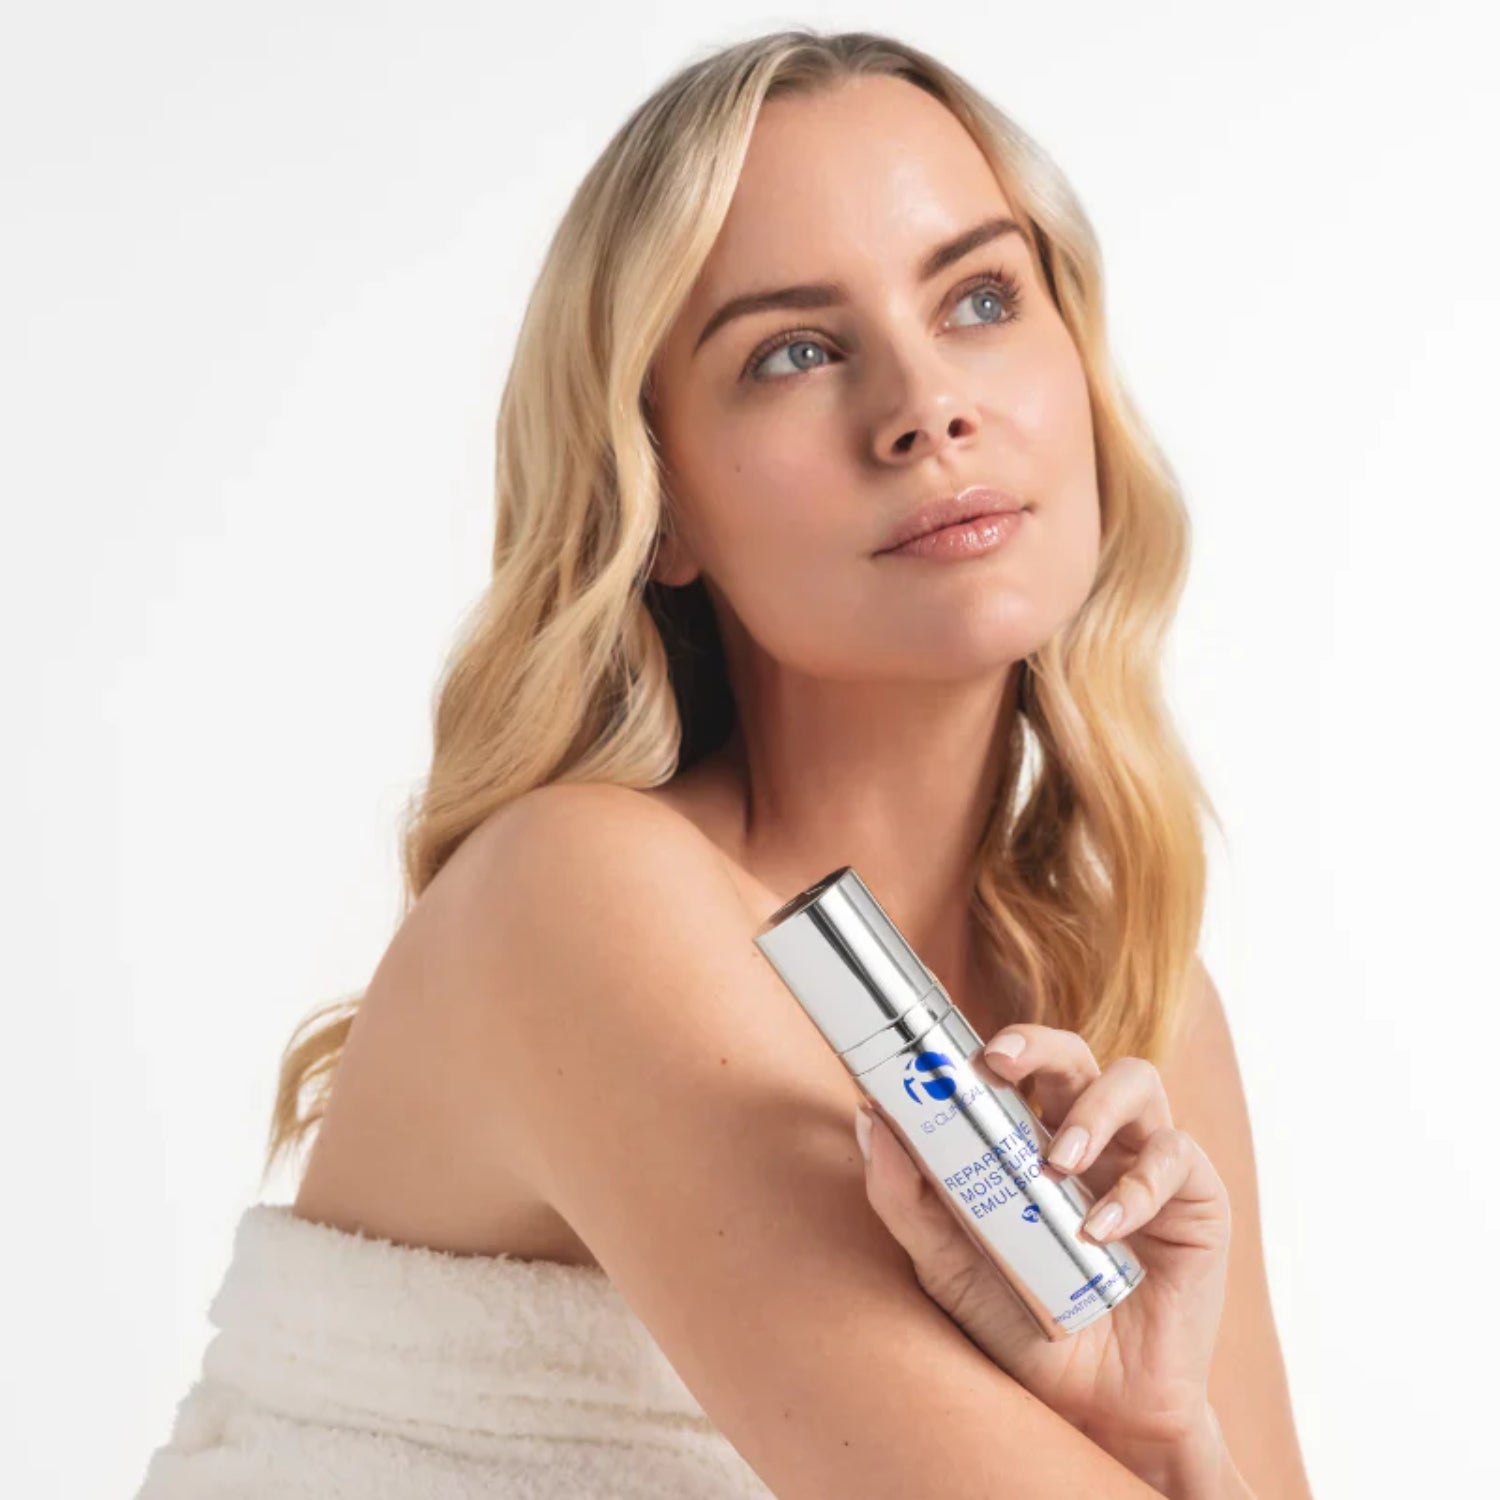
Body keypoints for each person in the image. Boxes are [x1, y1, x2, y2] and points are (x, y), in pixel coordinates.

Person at [136, 27, 1313, 1500]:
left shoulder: (1129, 993)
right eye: (794, 352)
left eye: (980, 299)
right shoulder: (576, 896)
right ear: (662, 501)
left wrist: (1154, 1431)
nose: (927, 406)